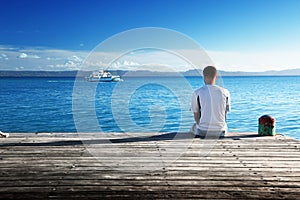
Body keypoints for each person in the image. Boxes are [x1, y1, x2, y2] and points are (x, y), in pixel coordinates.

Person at [191, 66, 230, 138]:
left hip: (203, 131)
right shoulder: (225, 92)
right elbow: (225, 113)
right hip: (220, 131)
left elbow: (196, 115)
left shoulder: (197, 93)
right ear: (216, 76)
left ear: (204, 76)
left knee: (193, 127)